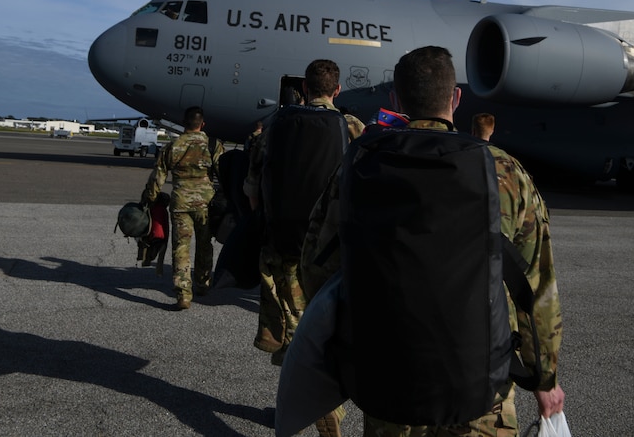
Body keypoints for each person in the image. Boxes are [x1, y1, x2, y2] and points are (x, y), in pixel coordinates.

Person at [301, 46, 564, 436]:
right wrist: (544, 378)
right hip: (480, 383)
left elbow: (315, 266)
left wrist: (341, 344)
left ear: (396, 99)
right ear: (455, 97)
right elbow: (538, 286)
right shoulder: (504, 170)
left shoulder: (358, 164)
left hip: (388, 378)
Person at [243, 59, 364, 437]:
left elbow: (251, 191)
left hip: (280, 244)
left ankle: (292, 408)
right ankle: (324, 408)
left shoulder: (275, 125)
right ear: (337, 90)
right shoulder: (351, 127)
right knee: (327, 331)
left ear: (304, 89)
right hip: (328, 249)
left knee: (294, 330)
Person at [141, 106, 224, 310]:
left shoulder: (172, 146)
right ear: (202, 124)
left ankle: (183, 294)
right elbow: (223, 173)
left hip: (180, 204)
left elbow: (157, 177)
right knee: (205, 244)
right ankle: (203, 284)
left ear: (184, 124)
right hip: (205, 204)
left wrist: (149, 199)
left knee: (181, 247)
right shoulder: (212, 144)